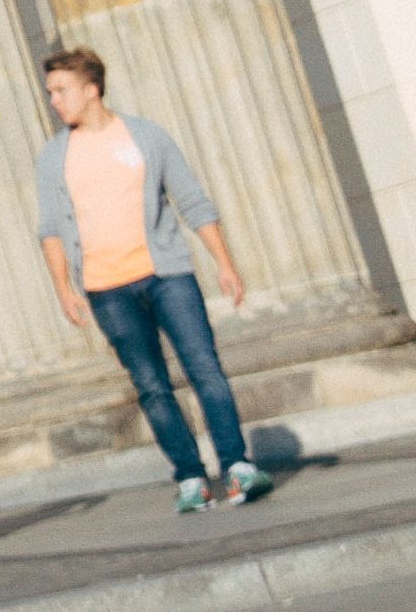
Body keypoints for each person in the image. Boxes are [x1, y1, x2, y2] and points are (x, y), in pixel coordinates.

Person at [34, 47, 276, 510]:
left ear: (91, 89)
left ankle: (237, 467)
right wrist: (63, 288)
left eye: (61, 91)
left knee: (204, 368)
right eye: (50, 93)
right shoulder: (53, 156)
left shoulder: (145, 137)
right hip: (107, 290)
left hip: (167, 276)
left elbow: (192, 201)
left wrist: (224, 262)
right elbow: (49, 229)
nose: (54, 101)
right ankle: (190, 477)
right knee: (150, 385)